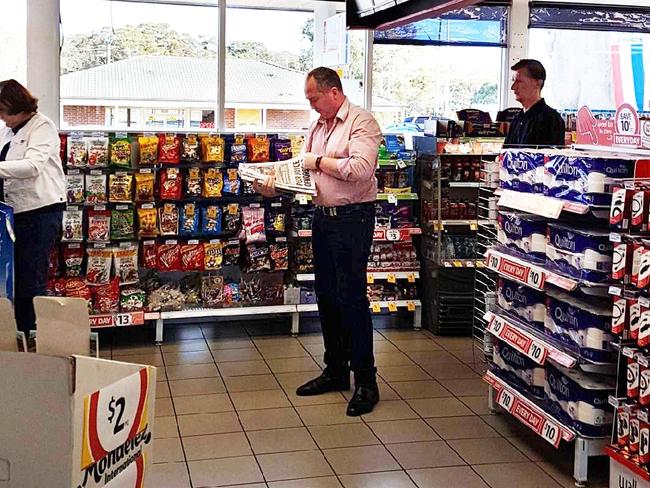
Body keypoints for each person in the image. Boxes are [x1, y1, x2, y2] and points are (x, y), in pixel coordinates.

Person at [254, 67, 382, 416]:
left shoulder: (362, 123)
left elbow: (361, 169)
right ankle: (336, 371)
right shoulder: (317, 127)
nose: (310, 105)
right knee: (326, 296)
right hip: (323, 218)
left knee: (352, 298)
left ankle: (366, 381)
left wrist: (318, 161)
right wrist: (272, 184)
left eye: (313, 98)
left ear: (333, 93)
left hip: (354, 219)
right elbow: (304, 174)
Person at [0, 80, 66, 335]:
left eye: (4, 113)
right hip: (15, 212)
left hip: (40, 212)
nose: (3, 119)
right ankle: (17, 331)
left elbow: (32, 166)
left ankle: (32, 335)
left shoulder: (43, 127)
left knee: (32, 278)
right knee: (16, 275)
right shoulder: (11, 131)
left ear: (18, 107)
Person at [503, 59, 565, 148]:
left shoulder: (551, 120)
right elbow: (506, 154)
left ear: (538, 84)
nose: (513, 87)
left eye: (519, 81)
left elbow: (549, 159)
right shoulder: (517, 120)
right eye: (513, 81)